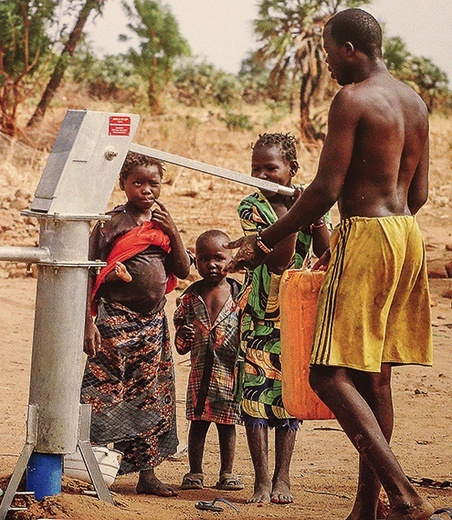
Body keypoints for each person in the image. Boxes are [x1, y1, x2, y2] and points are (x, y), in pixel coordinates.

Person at [225, 8, 434, 520]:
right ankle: (369, 506)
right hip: (407, 235)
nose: (325, 62)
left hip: (366, 236)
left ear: (347, 49)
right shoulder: (415, 102)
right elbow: (421, 193)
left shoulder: (352, 98)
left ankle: (403, 493)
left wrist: (265, 238)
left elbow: (324, 188)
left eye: (326, 51)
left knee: (324, 374)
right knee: (374, 377)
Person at [82, 151, 190, 497]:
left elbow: (184, 269)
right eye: (137, 183)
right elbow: (87, 273)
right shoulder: (111, 223)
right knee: (103, 392)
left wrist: (171, 228)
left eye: (153, 183)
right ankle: (90, 469)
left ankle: (148, 474)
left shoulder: (162, 222)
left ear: (162, 185)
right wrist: (89, 323)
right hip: (115, 321)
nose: (146, 189)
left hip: (153, 324)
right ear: (123, 184)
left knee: (152, 396)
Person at [233, 132, 330, 505]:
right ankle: (260, 481)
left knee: (290, 395)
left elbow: (325, 253)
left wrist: (315, 216)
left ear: (291, 168)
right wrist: (297, 215)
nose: (263, 174)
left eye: (271, 168)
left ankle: (282, 478)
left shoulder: (312, 198)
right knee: (255, 398)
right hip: (258, 314)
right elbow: (277, 259)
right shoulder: (251, 206)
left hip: (296, 314)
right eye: (256, 168)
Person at [174, 229, 243, 492]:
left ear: (231, 259)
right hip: (199, 375)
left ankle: (227, 473)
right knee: (198, 425)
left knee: (227, 426)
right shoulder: (189, 298)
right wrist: (183, 334)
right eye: (204, 259)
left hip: (229, 376)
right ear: (195, 260)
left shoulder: (240, 296)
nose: (211, 264)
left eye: (218, 258)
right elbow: (181, 346)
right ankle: (195, 472)